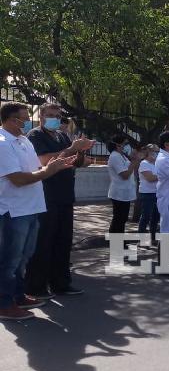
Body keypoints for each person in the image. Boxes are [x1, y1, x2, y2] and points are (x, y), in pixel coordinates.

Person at [0, 102, 77, 320]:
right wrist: (48, 171)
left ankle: (18, 295)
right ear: (11, 119)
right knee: (9, 260)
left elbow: (36, 168)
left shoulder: (23, 140)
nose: (27, 122)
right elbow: (18, 179)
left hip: (32, 207)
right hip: (13, 211)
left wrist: (56, 166)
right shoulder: (3, 143)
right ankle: (4, 304)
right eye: (23, 118)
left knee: (24, 258)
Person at [25, 103, 94, 299]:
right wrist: (72, 148)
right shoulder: (36, 136)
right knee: (43, 242)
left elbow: (76, 163)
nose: (55, 118)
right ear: (41, 118)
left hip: (65, 196)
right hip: (46, 197)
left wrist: (80, 151)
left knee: (63, 242)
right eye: (50, 115)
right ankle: (35, 286)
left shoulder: (62, 136)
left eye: (57, 115)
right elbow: (44, 161)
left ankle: (60, 283)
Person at [106, 134, 142, 233]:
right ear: (118, 145)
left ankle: (120, 241)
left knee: (123, 219)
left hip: (125, 192)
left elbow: (133, 169)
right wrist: (134, 161)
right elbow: (125, 175)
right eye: (125, 143)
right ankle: (115, 242)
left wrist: (136, 159)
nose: (127, 146)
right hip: (118, 193)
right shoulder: (114, 156)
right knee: (118, 219)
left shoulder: (122, 156)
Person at [137, 144, 160, 242]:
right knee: (146, 216)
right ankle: (141, 239)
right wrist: (163, 175)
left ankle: (153, 238)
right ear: (148, 152)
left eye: (157, 151)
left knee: (155, 217)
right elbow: (150, 178)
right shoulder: (144, 163)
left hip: (157, 193)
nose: (156, 153)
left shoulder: (157, 164)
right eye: (154, 151)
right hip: (147, 193)